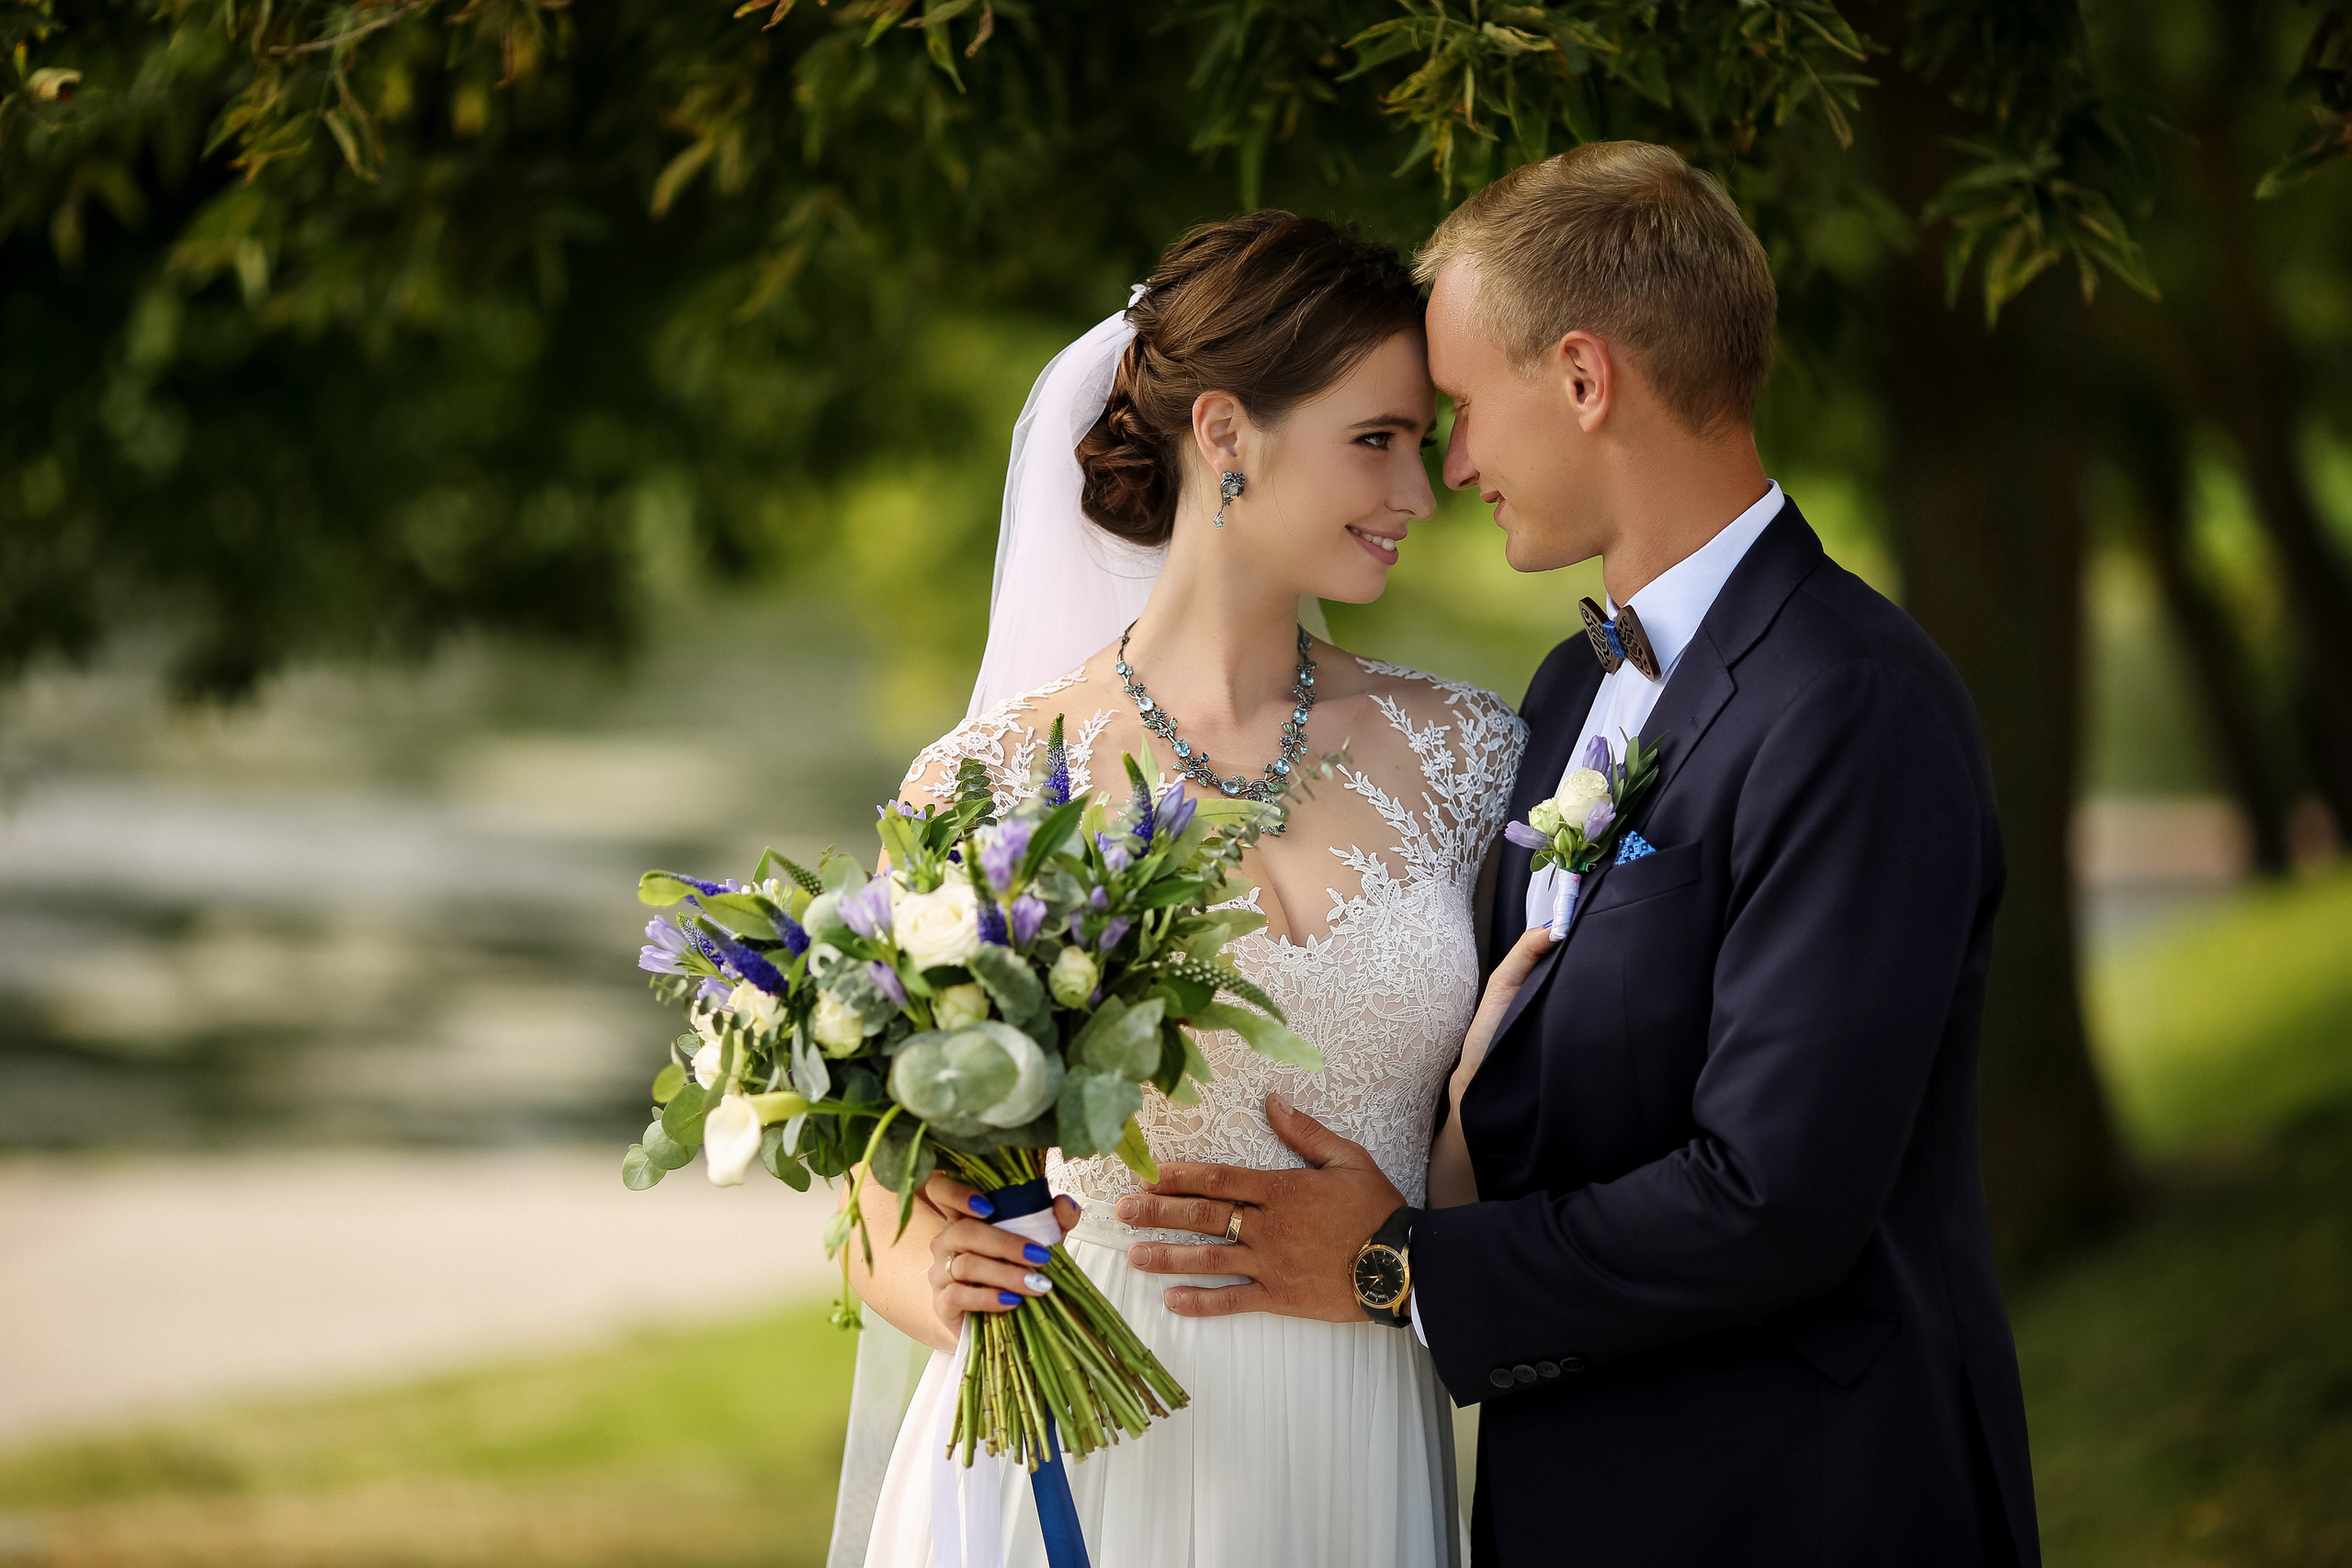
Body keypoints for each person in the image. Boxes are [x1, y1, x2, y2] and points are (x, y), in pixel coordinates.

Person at [1122, 142, 2043, 1566]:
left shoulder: (1855, 703)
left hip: (1803, 1509)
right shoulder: (1562, 703)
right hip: (1578, 1503)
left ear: (1583, 378)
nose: (1457, 466)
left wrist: (1395, 1267)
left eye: (1467, 410)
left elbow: (1773, 1203)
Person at [835, 210, 1527, 1568]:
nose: (1420, 492)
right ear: (1225, 433)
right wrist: (934, 1275)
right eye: (1376, 440)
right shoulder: (986, 785)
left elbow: (1493, 1170)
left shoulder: (1475, 758)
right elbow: (879, 1198)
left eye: (1422, 441)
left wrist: (1450, 1152)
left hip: (1350, 1436)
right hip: (1067, 1448)